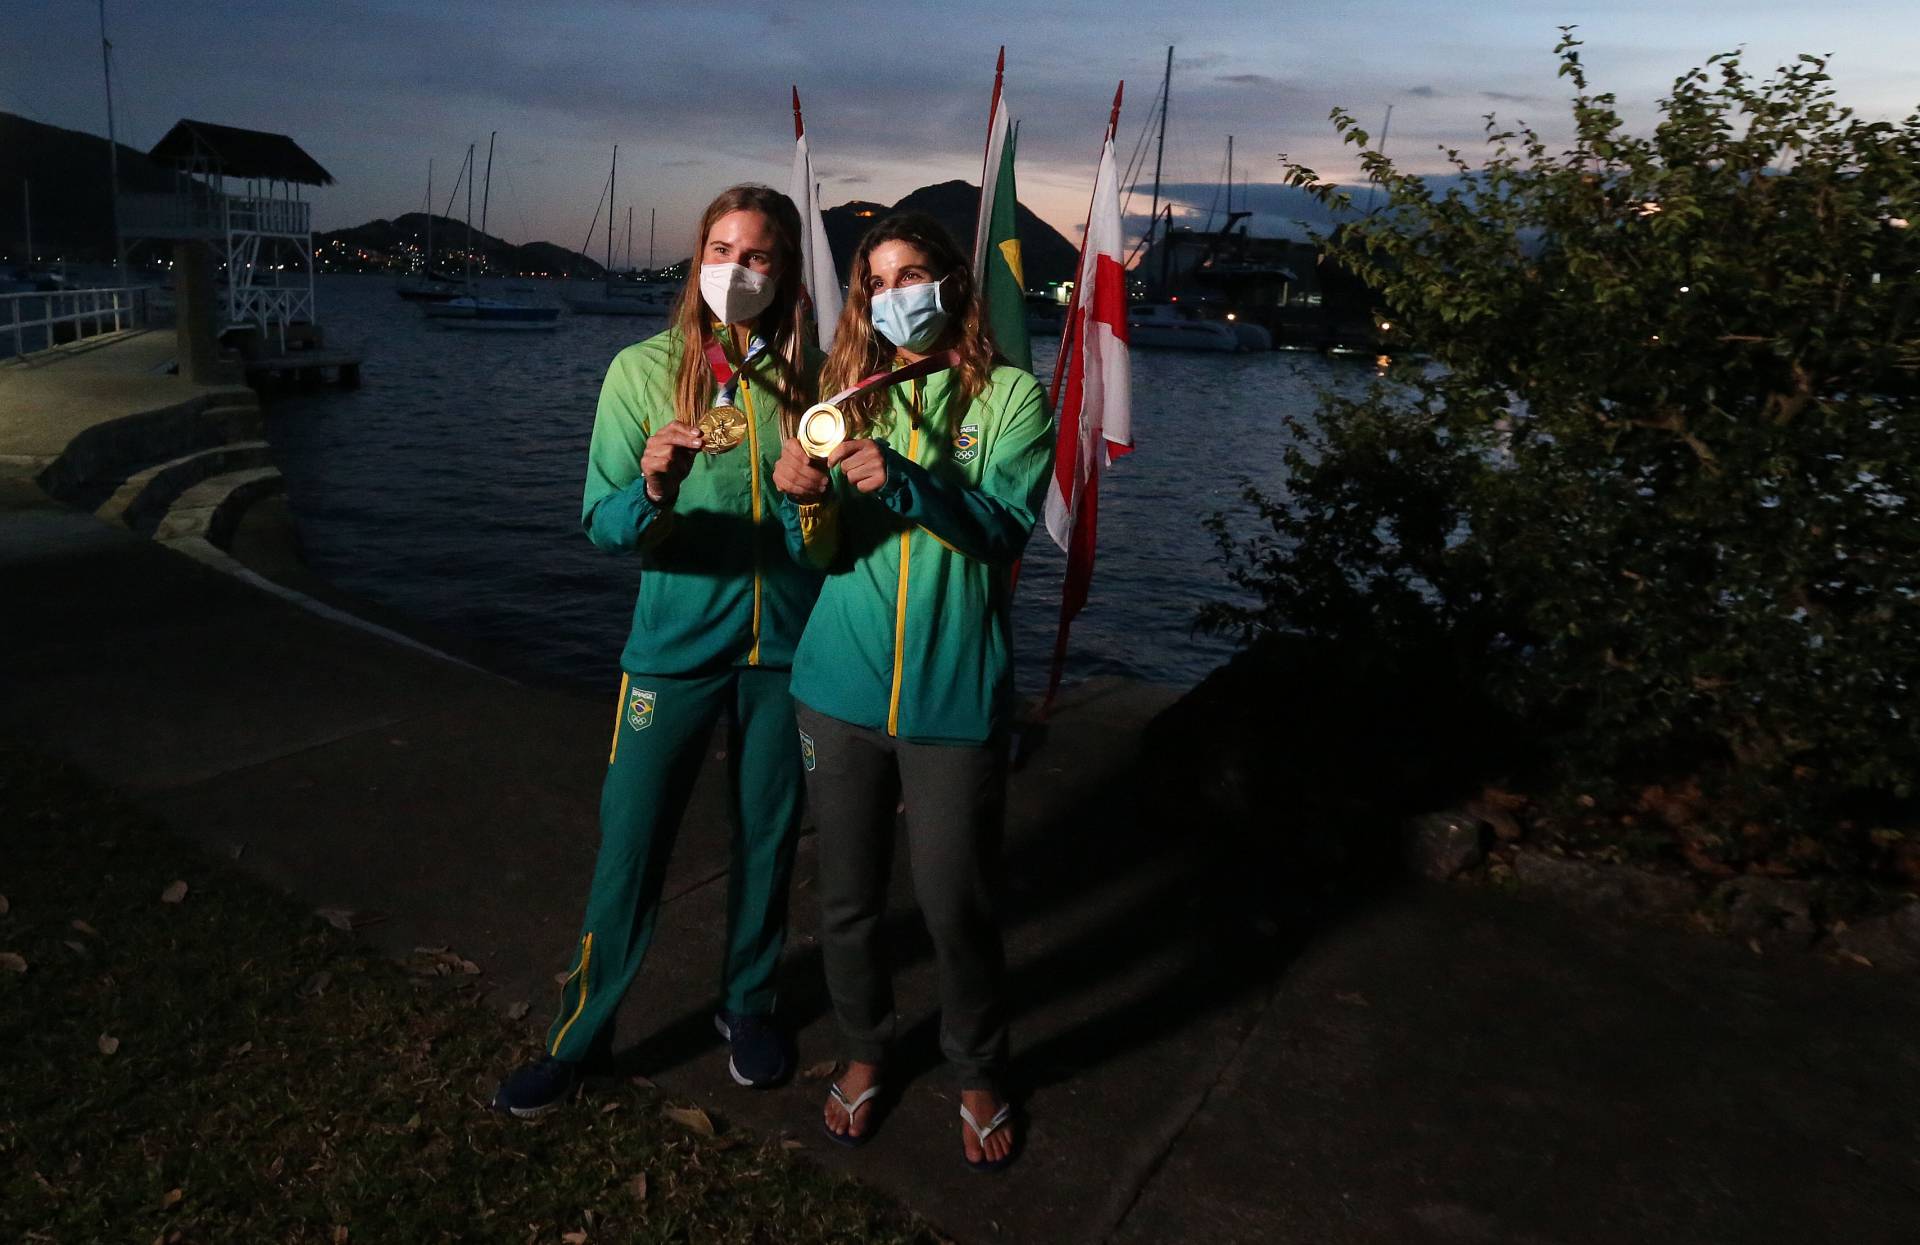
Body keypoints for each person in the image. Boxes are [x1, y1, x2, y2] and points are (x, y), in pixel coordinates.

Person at [493, 185, 823, 1117]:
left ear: (785, 269)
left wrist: (811, 498)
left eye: (759, 255)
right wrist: (653, 485)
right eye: (722, 249)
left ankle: (749, 1003)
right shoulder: (641, 372)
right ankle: (577, 1038)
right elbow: (602, 524)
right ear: (697, 260)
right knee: (631, 847)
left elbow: (827, 537)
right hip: (673, 652)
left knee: (768, 839)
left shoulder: (812, 384)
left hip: (787, 655)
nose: (737, 269)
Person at [770, 212, 1054, 1172]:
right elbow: (820, 552)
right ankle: (862, 1046)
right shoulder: (843, 396)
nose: (896, 297)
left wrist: (907, 481)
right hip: (836, 687)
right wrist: (802, 501)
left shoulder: (1013, 395)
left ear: (953, 285)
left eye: (913, 275)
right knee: (846, 899)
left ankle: (976, 1063)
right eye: (878, 283)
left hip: (954, 696)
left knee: (954, 901)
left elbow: (1003, 531)